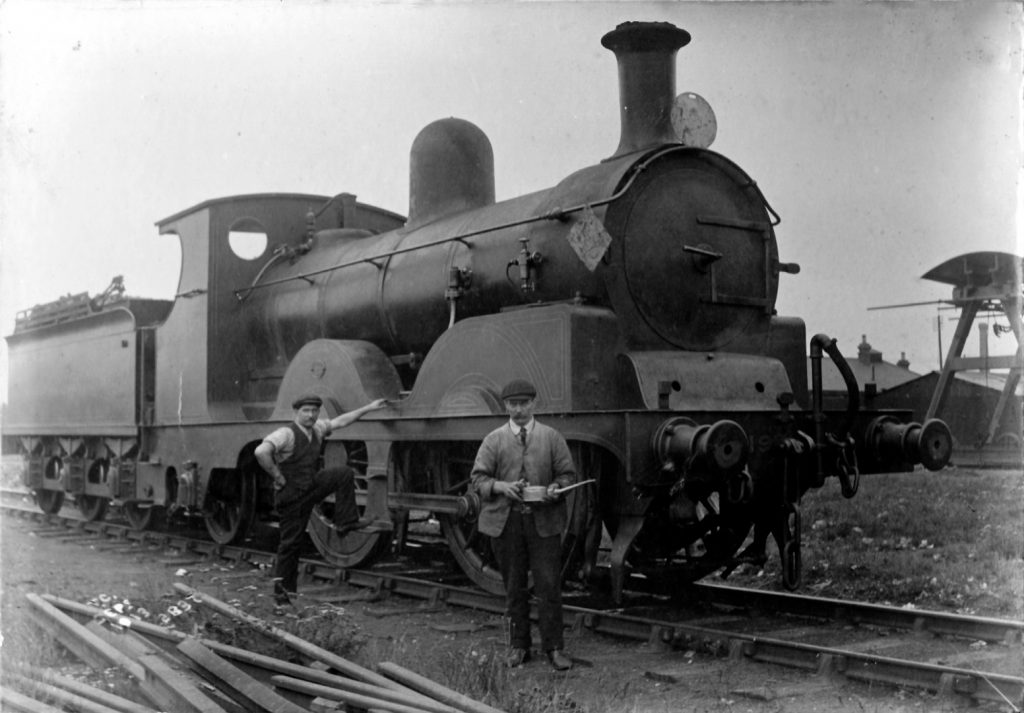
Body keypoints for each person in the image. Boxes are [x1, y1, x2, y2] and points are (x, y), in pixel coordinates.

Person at [470, 379, 576, 671]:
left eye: (523, 404)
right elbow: (477, 480)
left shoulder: (551, 438)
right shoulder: (494, 440)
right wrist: (502, 487)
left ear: (534, 404)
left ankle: (554, 648)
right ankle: (519, 647)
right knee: (514, 587)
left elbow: (568, 475)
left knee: (548, 585)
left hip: (544, 521)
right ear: (505, 406)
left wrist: (555, 487)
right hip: (507, 524)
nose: (518, 410)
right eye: (513, 405)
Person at [255, 393, 389, 606]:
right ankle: (282, 599)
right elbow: (261, 451)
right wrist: (277, 476)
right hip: (291, 497)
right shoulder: (286, 433)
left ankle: (346, 521)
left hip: (310, 487)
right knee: (290, 545)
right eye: (306, 411)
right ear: (296, 413)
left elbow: (341, 420)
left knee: (343, 473)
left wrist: (369, 407)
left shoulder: (316, 430)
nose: (311, 415)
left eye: (314, 411)